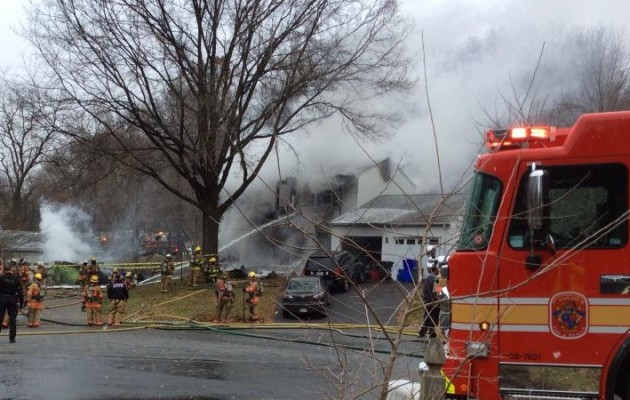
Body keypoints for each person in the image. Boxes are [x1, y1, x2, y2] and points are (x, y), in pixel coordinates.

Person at [0, 265, 24, 343]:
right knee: (13, 319)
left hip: (2, 299)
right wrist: (21, 303)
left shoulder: (1, 278)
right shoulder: (16, 279)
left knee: (0, 318)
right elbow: (20, 292)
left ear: (4, 269)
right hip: (12, 299)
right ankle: (12, 338)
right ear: (11, 269)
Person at [418, 264, 440, 339]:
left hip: (427, 301)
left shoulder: (427, 278)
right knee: (434, 318)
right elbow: (437, 292)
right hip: (434, 302)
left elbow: (424, 290)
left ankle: (422, 332)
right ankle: (432, 333)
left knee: (426, 317)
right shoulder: (437, 279)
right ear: (436, 270)